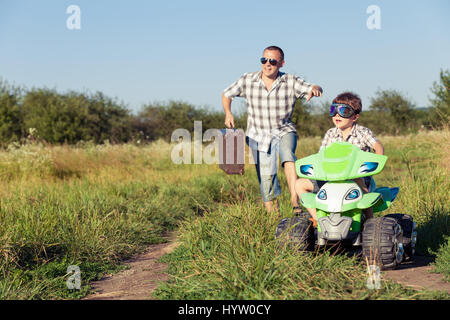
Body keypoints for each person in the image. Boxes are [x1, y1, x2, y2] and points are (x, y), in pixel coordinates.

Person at [222, 45, 323, 214]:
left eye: (273, 61)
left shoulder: (290, 81)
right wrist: (228, 113)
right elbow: (227, 94)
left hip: (284, 130)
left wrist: (316, 89)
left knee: (287, 155)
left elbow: (313, 87)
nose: (267, 64)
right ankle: (273, 219)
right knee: (267, 177)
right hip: (257, 135)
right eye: (264, 60)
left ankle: (294, 199)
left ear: (281, 63)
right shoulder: (248, 79)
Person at [294, 91, 384, 226]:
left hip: (355, 176)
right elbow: (321, 156)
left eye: (343, 111)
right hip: (330, 177)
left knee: (360, 183)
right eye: (333, 110)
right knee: (299, 184)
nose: (337, 114)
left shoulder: (362, 132)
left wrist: (378, 159)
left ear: (354, 117)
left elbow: (377, 145)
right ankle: (318, 219)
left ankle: (369, 221)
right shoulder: (330, 134)